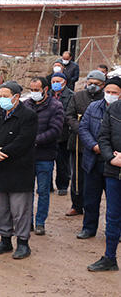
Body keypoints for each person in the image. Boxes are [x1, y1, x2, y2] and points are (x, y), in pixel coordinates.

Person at [0, 81, 38, 260]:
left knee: (20, 209)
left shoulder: (28, 115)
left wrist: (1, 153)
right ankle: (4, 240)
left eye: (6, 96)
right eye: (1, 96)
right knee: (1, 209)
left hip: (18, 169)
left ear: (16, 97)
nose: (2, 100)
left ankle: (23, 243)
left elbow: (24, 141)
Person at [78, 77, 121, 241]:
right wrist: (95, 146)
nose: (110, 95)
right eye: (108, 92)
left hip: (115, 162)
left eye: (114, 93)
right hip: (93, 159)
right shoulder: (94, 107)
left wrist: (109, 153)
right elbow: (83, 129)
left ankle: (115, 231)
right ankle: (89, 228)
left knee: (115, 200)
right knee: (90, 197)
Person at [88, 76, 121, 271]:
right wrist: (111, 158)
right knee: (113, 216)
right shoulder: (114, 110)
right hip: (113, 170)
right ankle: (110, 258)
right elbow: (104, 136)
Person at [25, 77, 64, 236]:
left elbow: (55, 130)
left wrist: (34, 141)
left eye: (37, 90)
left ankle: (40, 222)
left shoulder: (56, 107)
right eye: (32, 89)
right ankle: (27, 221)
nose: (34, 93)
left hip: (45, 156)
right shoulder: (26, 105)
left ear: (45, 90)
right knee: (26, 191)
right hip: (26, 156)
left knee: (42, 191)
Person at [64, 70, 106, 216]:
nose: (93, 86)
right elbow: (69, 115)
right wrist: (81, 129)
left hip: (100, 145)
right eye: (90, 83)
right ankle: (77, 204)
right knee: (77, 175)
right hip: (79, 143)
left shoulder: (106, 99)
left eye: (97, 84)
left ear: (103, 85)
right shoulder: (78, 96)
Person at [49, 72, 74, 196]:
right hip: (47, 134)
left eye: (58, 81)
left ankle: (63, 185)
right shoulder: (47, 94)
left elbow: (69, 114)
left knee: (62, 162)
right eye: (53, 82)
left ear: (64, 82)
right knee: (46, 161)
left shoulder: (71, 96)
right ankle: (47, 185)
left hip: (63, 134)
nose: (55, 84)